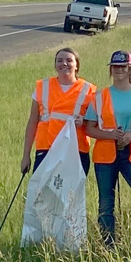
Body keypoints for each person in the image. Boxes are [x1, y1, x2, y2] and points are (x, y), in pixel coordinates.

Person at [83, 51, 131, 246]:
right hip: (105, 156)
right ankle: (109, 245)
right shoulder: (99, 96)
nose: (119, 70)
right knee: (106, 204)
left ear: (130, 69)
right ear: (110, 69)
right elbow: (89, 127)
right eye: (115, 67)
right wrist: (110, 135)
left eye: (123, 66)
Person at [21, 47, 95, 177]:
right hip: (46, 149)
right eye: (59, 60)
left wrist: (83, 122)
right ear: (55, 65)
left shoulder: (89, 90)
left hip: (76, 151)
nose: (64, 64)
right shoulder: (43, 86)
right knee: (42, 195)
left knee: (72, 195)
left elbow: (96, 123)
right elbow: (33, 122)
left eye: (69, 60)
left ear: (77, 65)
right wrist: (26, 155)